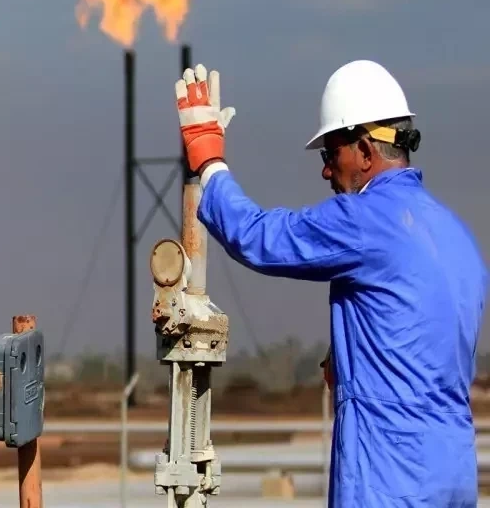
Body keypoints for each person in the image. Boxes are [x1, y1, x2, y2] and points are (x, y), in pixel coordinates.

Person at [175, 60, 487, 507]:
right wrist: (350, 352)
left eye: (330, 155)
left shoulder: (366, 220)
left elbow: (260, 238)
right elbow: (420, 335)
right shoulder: (456, 236)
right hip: (452, 473)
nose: (326, 172)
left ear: (365, 150)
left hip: (389, 475)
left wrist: (209, 164)